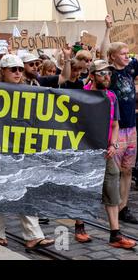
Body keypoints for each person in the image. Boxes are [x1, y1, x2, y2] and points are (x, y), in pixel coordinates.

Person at [0, 54, 55, 249]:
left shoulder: (29, 89)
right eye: (14, 69)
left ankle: (33, 235)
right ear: (3, 71)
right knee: (0, 191)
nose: (18, 73)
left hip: (22, 145)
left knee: (25, 188)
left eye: (20, 69)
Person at [84, 60, 136, 248]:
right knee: (84, 189)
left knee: (112, 188)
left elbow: (115, 124)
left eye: (109, 73)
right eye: (102, 73)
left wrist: (114, 144)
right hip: (86, 151)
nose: (107, 77)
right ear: (92, 75)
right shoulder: (83, 95)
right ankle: (79, 227)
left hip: (106, 152)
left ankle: (115, 234)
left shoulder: (112, 96)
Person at [100, 14, 138, 224]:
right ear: (113, 57)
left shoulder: (132, 69)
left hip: (131, 128)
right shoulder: (109, 72)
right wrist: (108, 29)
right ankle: (113, 205)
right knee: (113, 172)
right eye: (122, 54)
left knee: (127, 170)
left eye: (127, 53)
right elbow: (103, 51)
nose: (127, 56)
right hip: (116, 128)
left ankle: (124, 207)